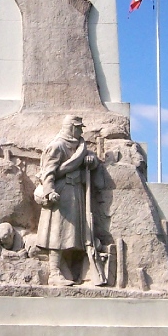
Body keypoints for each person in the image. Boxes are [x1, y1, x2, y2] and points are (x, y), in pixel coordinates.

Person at [35, 114, 99, 286]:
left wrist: (90, 161)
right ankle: (54, 274)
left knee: (73, 235)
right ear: (71, 127)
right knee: (58, 234)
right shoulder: (57, 146)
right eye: (78, 127)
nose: (80, 130)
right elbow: (48, 171)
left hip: (76, 192)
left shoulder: (80, 146)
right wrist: (49, 192)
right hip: (61, 192)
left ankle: (67, 270)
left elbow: (89, 161)